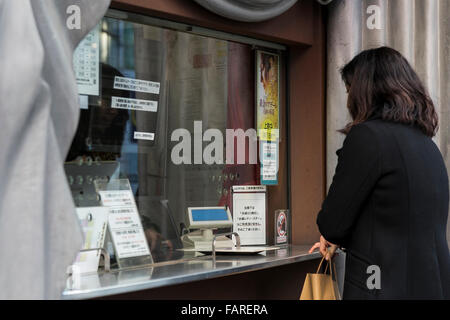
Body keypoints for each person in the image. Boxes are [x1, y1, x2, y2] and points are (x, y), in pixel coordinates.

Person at [309, 46, 450, 299]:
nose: (349, 97)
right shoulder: (427, 144)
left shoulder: (367, 138)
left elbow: (333, 224)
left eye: (349, 89)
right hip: (430, 286)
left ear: (364, 91)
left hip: (380, 287)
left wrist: (332, 237)